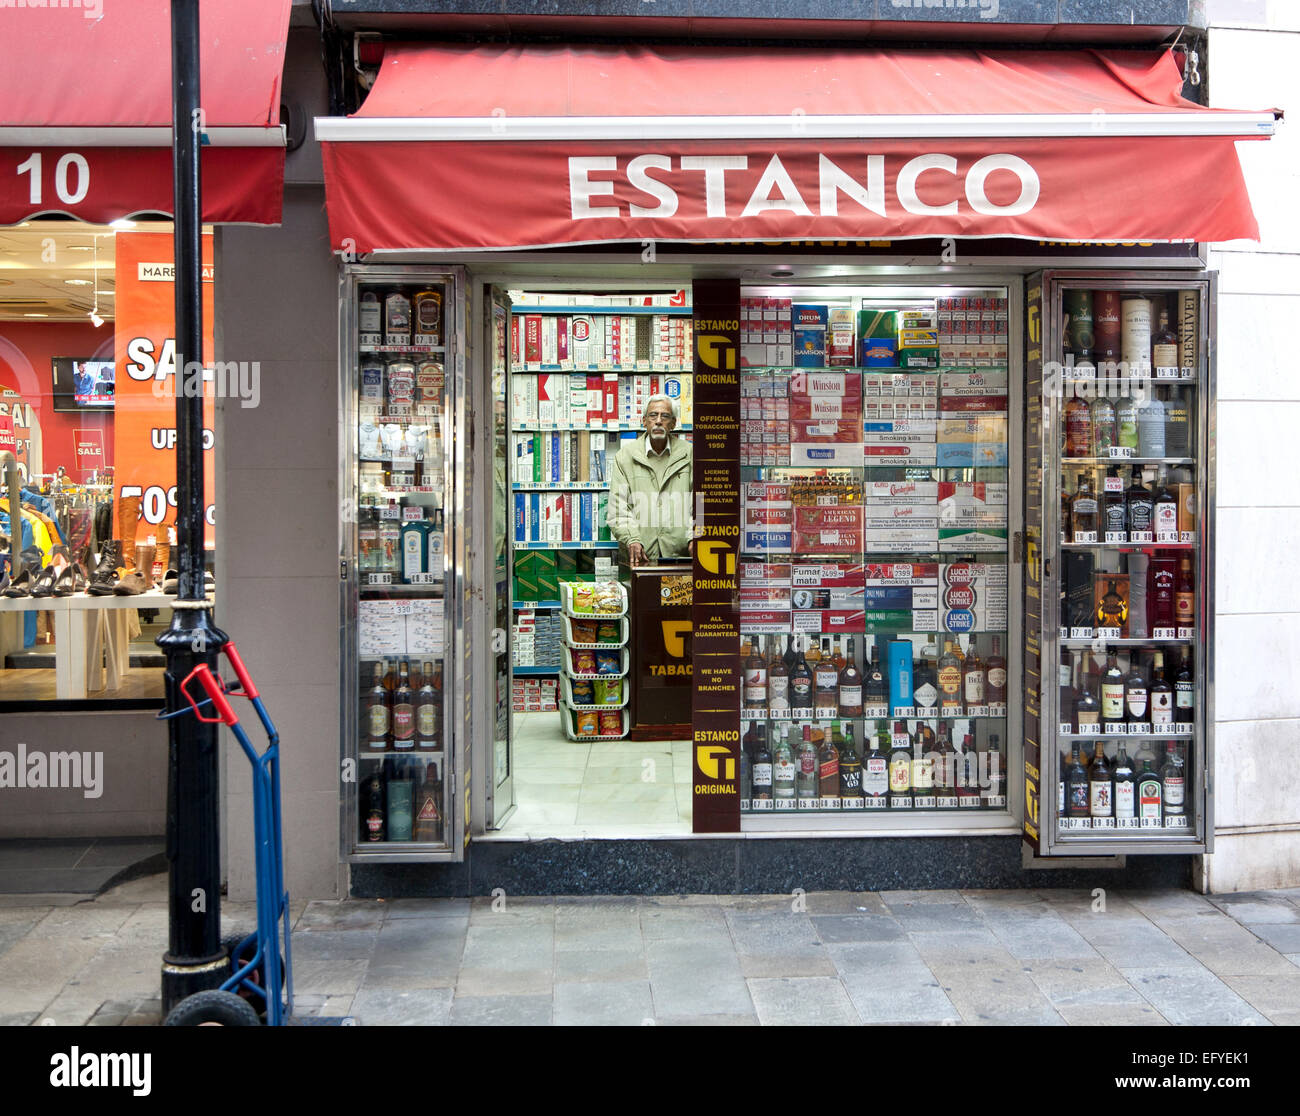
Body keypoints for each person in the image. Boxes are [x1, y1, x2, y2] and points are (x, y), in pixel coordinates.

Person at [608, 393, 693, 566]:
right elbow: (618, 508)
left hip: (681, 556)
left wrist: (695, 538)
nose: (659, 421)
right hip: (641, 556)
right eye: (653, 415)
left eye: (665, 416)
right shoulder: (625, 457)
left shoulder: (689, 454)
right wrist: (632, 538)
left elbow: (701, 503)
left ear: (674, 423)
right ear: (644, 421)